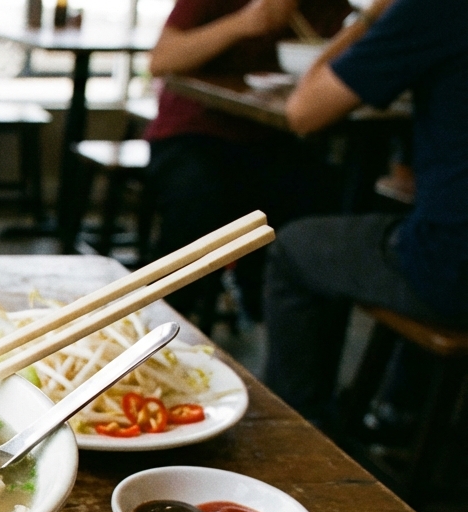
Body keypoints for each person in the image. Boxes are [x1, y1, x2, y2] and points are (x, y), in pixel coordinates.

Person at [264, 0, 468, 424]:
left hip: (455, 273)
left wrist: (375, 15)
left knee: (294, 249)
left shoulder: (435, 9)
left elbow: (305, 110)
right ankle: (405, 408)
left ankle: (302, 433)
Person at [145, 0, 350, 326]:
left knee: (324, 196)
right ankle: (161, 320)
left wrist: (371, 22)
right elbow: (161, 60)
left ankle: (274, 318)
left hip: (275, 138)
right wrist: (243, 22)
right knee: (200, 195)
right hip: (193, 129)